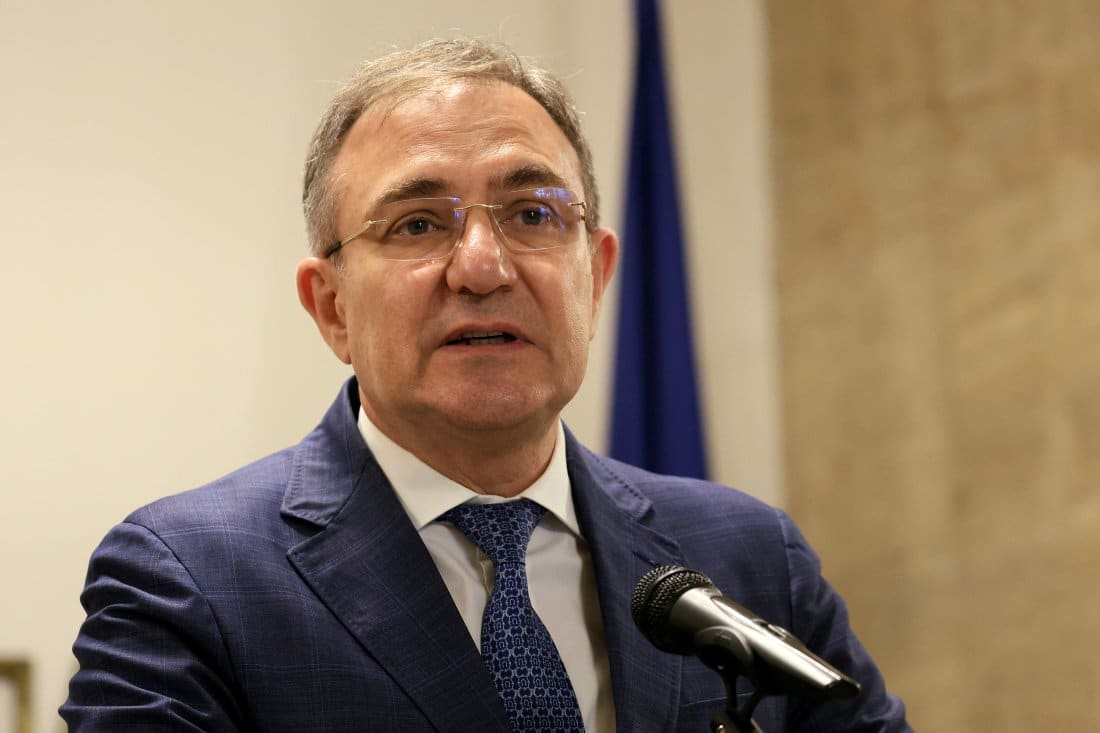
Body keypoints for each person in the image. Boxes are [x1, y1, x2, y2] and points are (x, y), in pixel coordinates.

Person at [61, 38, 910, 732]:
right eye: (418, 224)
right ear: (332, 308)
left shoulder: (748, 555)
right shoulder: (188, 579)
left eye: (534, 214)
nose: (483, 266)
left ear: (596, 277)